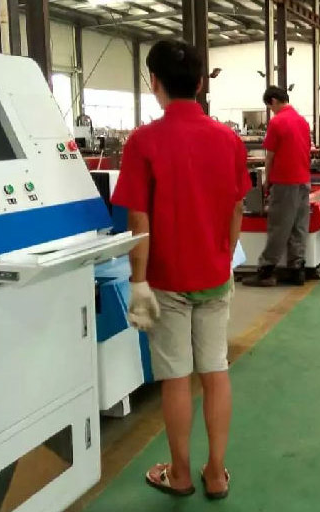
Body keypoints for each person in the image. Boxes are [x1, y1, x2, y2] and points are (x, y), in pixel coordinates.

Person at [111, 40, 251, 501]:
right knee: (215, 370)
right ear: (199, 83)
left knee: (175, 378)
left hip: (167, 281)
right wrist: (224, 258)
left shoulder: (143, 141)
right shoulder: (228, 139)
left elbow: (138, 220)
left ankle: (180, 473)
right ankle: (216, 473)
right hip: (214, 276)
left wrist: (138, 281)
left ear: (153, 82)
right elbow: (236, 207)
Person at [243, 86, 312, 287]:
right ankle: (296, 270)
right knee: (299, 226)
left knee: (279, 226)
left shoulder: (277, 121)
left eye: (270, 107)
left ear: (273, 101)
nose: (271, 111)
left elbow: (270, 156)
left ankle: (266, 271)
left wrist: (267, 181)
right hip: (303, 180)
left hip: (285, 181)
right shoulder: (302, 121)